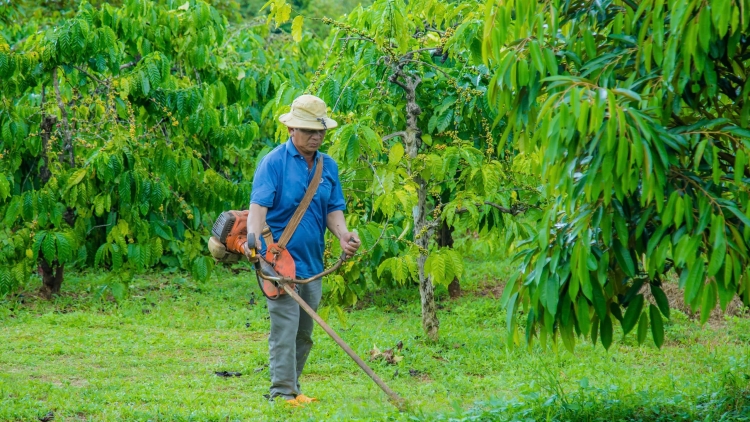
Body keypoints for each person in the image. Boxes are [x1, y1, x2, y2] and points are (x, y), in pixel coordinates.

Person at [245, 95, 361, 405]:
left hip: (311, 264)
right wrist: (254, 246)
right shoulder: (273, 163)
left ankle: (293, 388)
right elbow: (258, 209)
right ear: (291, 129)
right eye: (309, 130)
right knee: (285, 327)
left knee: (304, 332)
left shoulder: (328, 166)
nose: (316, 136)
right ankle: (281, 393)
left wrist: (344, 236)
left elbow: (333, 210)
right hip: (278, 261)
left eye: (320, 131)